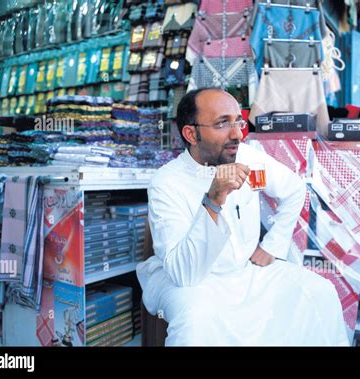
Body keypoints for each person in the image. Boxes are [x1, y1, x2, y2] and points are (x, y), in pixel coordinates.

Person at [136, 88, 349, 346]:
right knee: (195, 321)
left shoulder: (248, 157)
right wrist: (213, 200)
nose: (238, 133)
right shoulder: (166, 183)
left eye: (238, 121)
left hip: (248, 273)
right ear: (191, 133)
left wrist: (272, 245)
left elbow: (295, 188)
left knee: (320, 292)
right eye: (223, 123)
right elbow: (183, 274)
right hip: (196, 283)